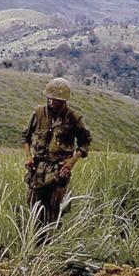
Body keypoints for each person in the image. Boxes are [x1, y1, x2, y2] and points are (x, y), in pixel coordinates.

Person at [21, 77, 92, 242]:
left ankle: (51, 247)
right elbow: (25, 137)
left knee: (54, 212)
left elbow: (85, 142)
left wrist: (72, 161)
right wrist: (28, 156)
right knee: (33, 209)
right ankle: (33, 243)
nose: (52, 102)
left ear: (64, 100)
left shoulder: (74, 117)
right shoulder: (38, 113)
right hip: (37, 170)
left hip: (59, 170)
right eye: (50, 98)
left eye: (57, 100)